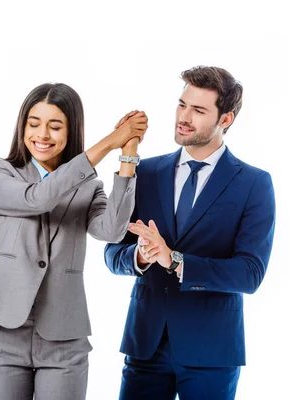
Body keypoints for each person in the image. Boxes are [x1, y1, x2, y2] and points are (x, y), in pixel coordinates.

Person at [104, 66, 276, 399]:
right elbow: (112, 253)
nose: (183, 116)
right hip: (146, 346)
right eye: (182, 105)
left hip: (211, 351)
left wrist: (176, 260)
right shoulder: (146, 172)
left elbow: (250, 274)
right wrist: (138, 256)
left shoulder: (254, 184)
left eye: (198, 110)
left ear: (225, 120)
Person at [0, 82, 148, 399]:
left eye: (55, 126)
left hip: (64, 335)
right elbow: (37, 199)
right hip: (4, 332)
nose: (42, 135)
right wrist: (108, 143)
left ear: (71, 130)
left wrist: (128, 152)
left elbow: (111, 231)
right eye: (34, 124)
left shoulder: (88, 187)